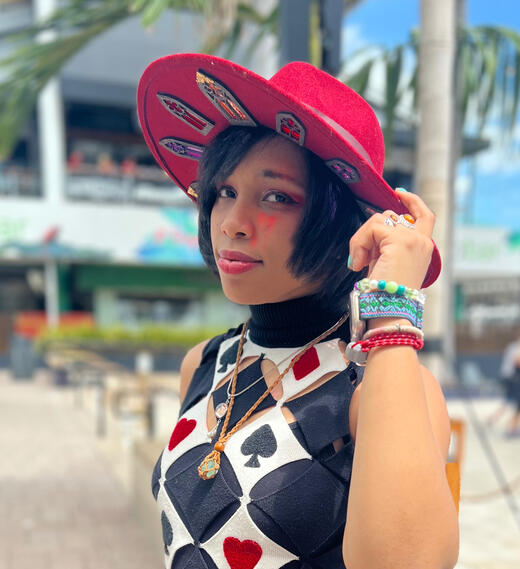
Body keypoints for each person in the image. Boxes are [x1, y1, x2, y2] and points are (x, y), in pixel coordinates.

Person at [138, 54, 459, 569]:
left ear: (343, 225)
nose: (233, 221)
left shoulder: (385, 382)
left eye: (276, 196)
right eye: (225, 191)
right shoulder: (204, 362)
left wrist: (393, 307)